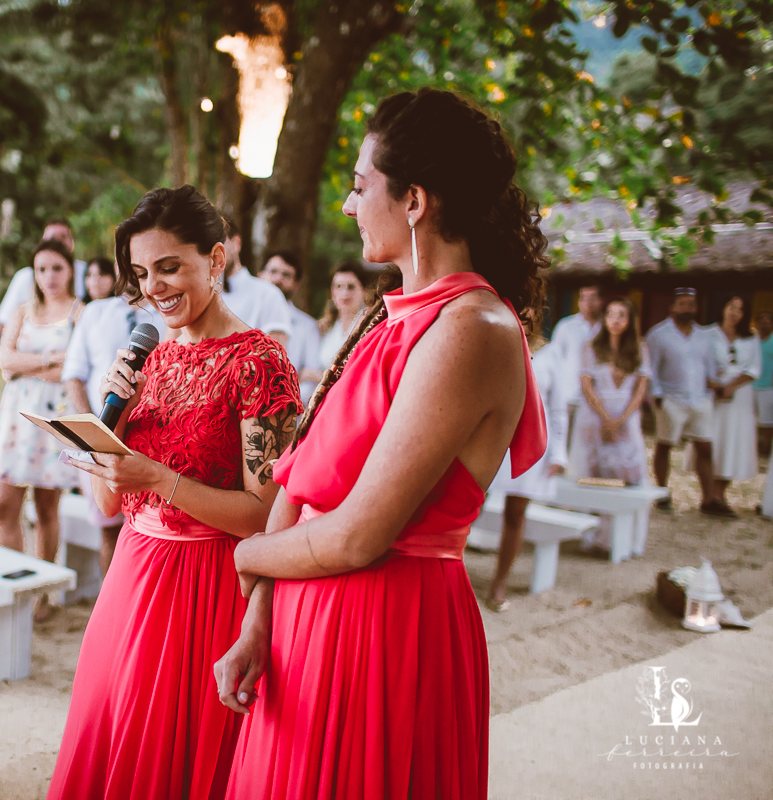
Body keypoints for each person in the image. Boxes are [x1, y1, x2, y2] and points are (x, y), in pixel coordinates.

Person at [215, 88, 547, 799]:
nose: (346, 204)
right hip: (305, 629)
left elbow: (362, 534)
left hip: (386, 636)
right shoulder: (388, 320)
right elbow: (300, 488)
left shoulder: (471, 328)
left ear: (416, 200)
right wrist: (258, 618)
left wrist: (243, 554)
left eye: (361, 186)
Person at [48, 185, 302, 799]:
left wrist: (160, 476)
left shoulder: (259, 363)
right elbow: (112, 506)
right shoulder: (151, 359)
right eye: (141, 274)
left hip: (209, 586)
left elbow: (268, 517)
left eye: (169, 267)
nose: (154, 288)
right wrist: (113, 428)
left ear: (216, 261)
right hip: (133, 577)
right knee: (116, 737)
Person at [0, 239, 83, 620]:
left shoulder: (80, 312)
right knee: (1, 504)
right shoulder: (22, 311)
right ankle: (13, 585)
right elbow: (5, 363)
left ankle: (41, 592)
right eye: (42, 269)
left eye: (57, 268)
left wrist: (35, 365)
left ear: (70, 270)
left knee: (46, 507)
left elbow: (74, 367)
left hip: (54, 414)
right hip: (16, 418)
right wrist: (47, 358)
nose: (49, 276)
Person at [62, 259, 166, 575]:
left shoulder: (169, 316)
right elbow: (73, 376)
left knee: (149, 527)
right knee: (109, 528)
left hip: (155, 444)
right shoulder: (95, 312)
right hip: (102, 435)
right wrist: (95, 432)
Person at [485, 319, 567, 611]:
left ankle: (498, 584)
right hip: (492, 437)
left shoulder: (552, 354)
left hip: (531, 439)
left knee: (515, 513)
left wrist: (559, 453)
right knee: (467, 506)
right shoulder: (496, 340)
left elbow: (558, 407)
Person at [647, 288, 733, 517]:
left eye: (691, 304)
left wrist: (717, 387)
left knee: (705, 446)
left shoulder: (704, 335)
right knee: (665, 445)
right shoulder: (659, 334)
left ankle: (708, 499)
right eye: (682, 304)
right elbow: (651, 368)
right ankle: (661, 492)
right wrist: (656, 397)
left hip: (700, 398)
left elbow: (710, 366)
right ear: (672, 307)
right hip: (671, 398)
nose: (687, 308)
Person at [568, 298, 650, 488]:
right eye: (610, 314)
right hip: (595, 411)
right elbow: (586, 385)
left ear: (630, 320)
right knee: (591, 467)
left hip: (626, 412)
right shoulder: (591, 347)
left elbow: (640, 389)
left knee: (629, 464)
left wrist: (620, 421)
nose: (615, 320)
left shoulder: (640, 348)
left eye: (621, 315)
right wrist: (606, 420)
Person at [706, 294, 760, 508]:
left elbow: (754, 369)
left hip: (739, 396)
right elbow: (701, 363)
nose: (735, 312)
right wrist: (715, 384)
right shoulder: (708, 334)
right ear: (722, 308)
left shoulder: (751, 338)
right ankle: (708, 491)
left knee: (733, 441)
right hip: (713, 393)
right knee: (712, 439)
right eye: (731, 306)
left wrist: (731, 386)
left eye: (740, 308)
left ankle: (720, 493)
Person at [0, 218, 88, 325]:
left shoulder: (87, 272)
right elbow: (3, 320)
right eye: (53, 237)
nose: (58, 242)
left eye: (63, 237)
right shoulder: (25, 276)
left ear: (72, 242)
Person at [259, 251, 322, 404]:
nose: (278, 279)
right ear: (260, 275)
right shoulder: (241, 315)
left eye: (286, 275)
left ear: (296, 285)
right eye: (272, 271)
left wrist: (285, 403)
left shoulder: (308, 326)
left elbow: (311, 378)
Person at [218, 218, 291, 346]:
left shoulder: (268, 294)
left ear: (236, 243)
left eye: (219, 242)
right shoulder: (196, 298)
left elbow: (277, 359)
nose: (212, 252)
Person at [550, 284, 603, 418]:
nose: (588, 303)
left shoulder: (606, 328)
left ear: (601, 300)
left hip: (600, 396)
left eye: (592, 298)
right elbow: (554, 359)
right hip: (569, 394)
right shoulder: (566, 326)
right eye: (583, 298)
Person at [316, 260, 372, 367]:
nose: (344, 294)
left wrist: (317, 375)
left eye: (351, 287)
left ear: (365, 291)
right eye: (338, 286)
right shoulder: (326, 328)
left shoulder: (371, 325)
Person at [754, 311, 773, 457]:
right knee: (749, 421)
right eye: (762, 321)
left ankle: (765, 453)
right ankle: (751, 452)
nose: (765, 324)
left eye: (768, 321)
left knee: (766, 424)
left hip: (768, 388)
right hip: (750, 387)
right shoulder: (752, 340)